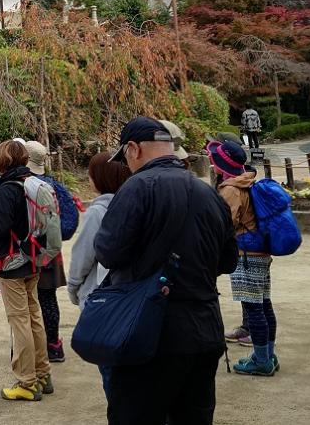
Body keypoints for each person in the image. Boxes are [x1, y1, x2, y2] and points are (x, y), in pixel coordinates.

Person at [95, 117, 238, 425]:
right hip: (204, 330)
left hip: (149, 334)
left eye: (125, 159)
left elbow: (108, 252)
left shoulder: (135, 189)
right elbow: (229, 262)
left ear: (133, 149)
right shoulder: (209, 193)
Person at [0, 139, 51, 402]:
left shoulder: (9, 189)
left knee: (19, 321)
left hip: (12, 263)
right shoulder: (32, 183)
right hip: (33, 259)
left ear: (3, 162)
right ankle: (42, 373)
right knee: (34, 317)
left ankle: (27, 382)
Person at [207, 138, 278, 377]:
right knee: (263, 304)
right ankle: (268, 354)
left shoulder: (231, 189)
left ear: (220, 165)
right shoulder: (246, 182)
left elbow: (224, 223)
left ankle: (261, 360)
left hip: (246, 254)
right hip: (260, 252)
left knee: (253, 308)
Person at [67, 151, 132, 398]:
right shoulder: (136, 203)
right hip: (133, 298)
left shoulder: (97, 211)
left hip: (104, 299)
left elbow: (83, 256)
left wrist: (74, 288)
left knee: (112, 375)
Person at [25, 140, 71, 363]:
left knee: (28, 301)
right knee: (48, 298)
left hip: (33, 249)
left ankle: (34, 347)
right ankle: (54, 345)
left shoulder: (26, 186)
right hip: (53, 250)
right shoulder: (54, 184)